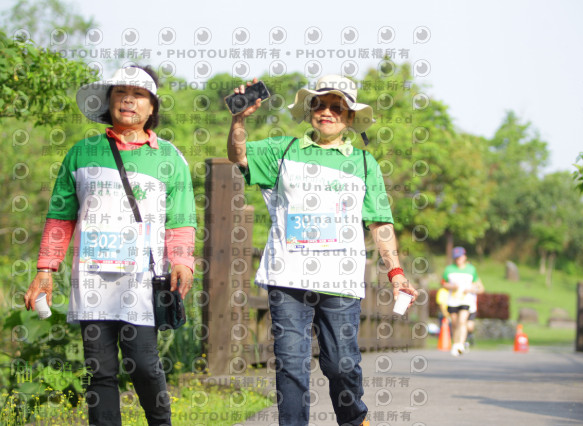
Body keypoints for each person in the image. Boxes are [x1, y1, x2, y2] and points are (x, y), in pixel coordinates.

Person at [226, 75, 418, 426]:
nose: (326, 112)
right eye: (319, 104)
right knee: (291, 364)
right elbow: (238, 155)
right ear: (309, 110)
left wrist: (396, 272)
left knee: (341, 364)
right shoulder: (282, 150)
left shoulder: (363, 164)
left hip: (340, 282)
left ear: (349, 117)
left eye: (336, 106)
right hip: (287, 278)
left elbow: (381, 224)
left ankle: (354, 419)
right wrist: (239, 119)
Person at [24, 65, 197, 425]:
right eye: (120, 92)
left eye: (139, 95)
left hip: (140, 280)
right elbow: (60, 216)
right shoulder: (81, 153)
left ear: (152, 108)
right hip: (91, 279)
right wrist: (45, 269)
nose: (128, 100)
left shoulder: (169, 158)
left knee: (145, 364)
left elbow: (180, 218)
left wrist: (182, 261)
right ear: (108, 102)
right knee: (99, 371)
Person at [442, 246, 483, 356]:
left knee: (462, 321)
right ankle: (456, 344)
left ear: (464, 257)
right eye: (456, 258)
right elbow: (443, 283)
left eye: (460, 257)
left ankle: (461, 343)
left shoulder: (471, 269)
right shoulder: (449, 269)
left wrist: (470, 289)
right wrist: (451, 286)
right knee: (455, 323)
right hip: (453, 300)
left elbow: (477, 285)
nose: (458, 260)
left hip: (466, 300)